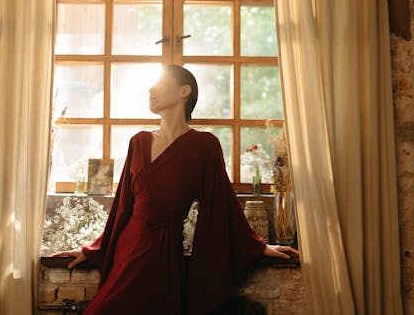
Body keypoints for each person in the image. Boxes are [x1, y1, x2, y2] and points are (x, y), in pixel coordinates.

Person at [52, 65, 299, 315]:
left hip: (164, 257)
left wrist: (258, 247)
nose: (150, 89)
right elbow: (122, 208)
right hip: (128, 254)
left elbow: (221, 204)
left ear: (184, 91)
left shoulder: (204, 146)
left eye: (159, 83)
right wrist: (94, 249)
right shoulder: (138, 142)